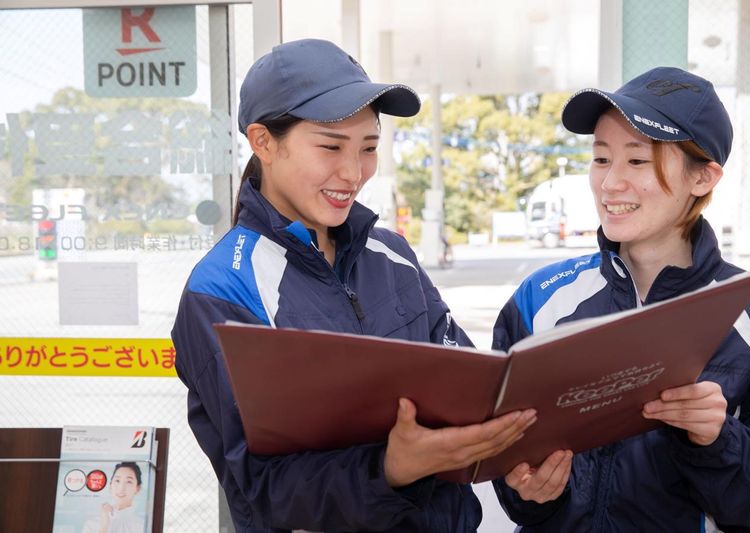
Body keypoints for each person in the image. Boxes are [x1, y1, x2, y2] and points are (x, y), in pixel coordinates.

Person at [171, 38, 536, 532]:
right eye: (330, 146)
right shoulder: (222, 289)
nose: (353, 172)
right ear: (263, 142)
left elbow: (469, 385)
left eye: (368, 148)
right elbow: (263, 488)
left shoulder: (393, 255)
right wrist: (390, 470)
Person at [492, 67, 750, 531]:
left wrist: (717, 439)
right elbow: (503, 458)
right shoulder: (540, 298)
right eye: (601, 158)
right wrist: (530, 493)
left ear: (703, 177)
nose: (610, 183)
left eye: (637, 161)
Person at [82, 462, 145, 533]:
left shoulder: (143, 526)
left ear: (138, 488)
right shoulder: (92, 524)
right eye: (117, 481)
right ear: (110, 486)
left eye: (129, 482)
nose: (121, 488)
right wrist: (104, 526)